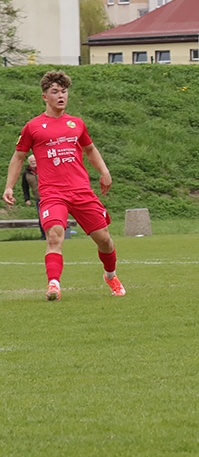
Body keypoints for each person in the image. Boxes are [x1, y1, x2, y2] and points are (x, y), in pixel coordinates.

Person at [3, 70, 125, 300]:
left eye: (64, 91)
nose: (61, 96)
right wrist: (9, 187)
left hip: (81, 190)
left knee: (105, 239)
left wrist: (104, 171)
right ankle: (53, 285)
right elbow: (18, 157)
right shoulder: (33, 127)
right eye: (55, 92)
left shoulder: (76, 124)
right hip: (52, 192)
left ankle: (110, 276)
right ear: (44, 97)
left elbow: (90, 150)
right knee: (54, 236)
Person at [21, 154, 46, 240]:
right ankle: (44, 235)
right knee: (41, 216)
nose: (33, 163)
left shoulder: (44, 169)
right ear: (29, 163)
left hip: (48, 196)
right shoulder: (26, 173)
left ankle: (53, 235)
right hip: (38, 198)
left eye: (34, 161)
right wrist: (27, 198)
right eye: (31, 161)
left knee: (51, 216)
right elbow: (25, 187)